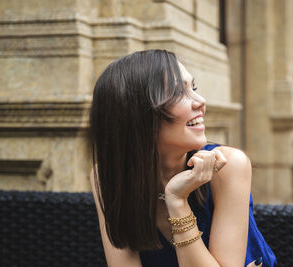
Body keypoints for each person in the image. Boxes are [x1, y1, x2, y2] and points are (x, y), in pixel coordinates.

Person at [88, 49, 277, 267]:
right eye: (179, 93)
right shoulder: (108, 176)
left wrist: (177, 201)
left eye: (193, 88)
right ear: (139, 115)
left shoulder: (226, 166)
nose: (201, 101)